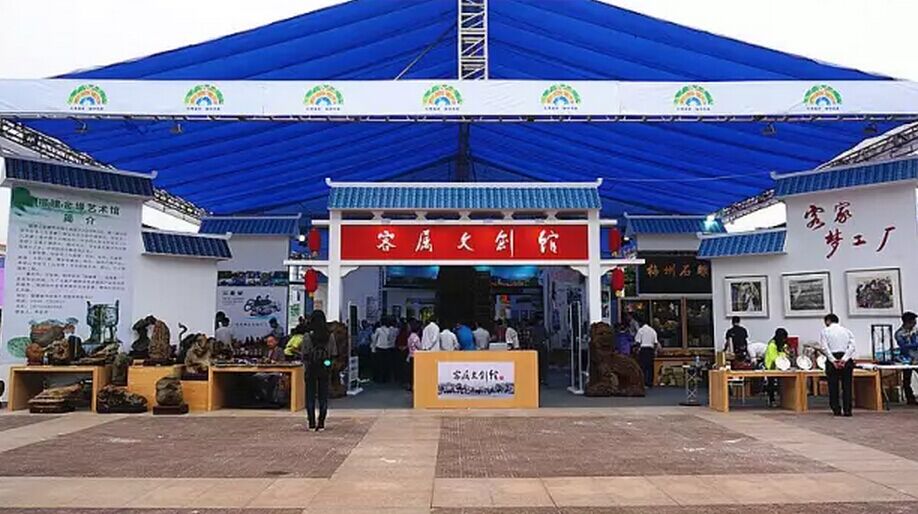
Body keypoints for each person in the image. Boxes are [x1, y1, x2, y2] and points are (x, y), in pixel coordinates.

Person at [303, 310, 337, 431]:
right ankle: (321, 422)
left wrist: (307, 365)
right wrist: (328, 364)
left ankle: (311, 423)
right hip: (324, 368)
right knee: (323, 396)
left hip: (311, 368)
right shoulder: (330, 336)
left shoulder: (307, 336)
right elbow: (333, 353)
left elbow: (304, 354)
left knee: (310, 396)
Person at [819, 313, 856, 417]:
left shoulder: (825, 331)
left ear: (828, 321)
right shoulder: (847, 331)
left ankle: (836, 409)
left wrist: (833, 360)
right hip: (846, 358)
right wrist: (844, 359)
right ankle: (848, 410)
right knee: (847, 386)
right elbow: (852, 347)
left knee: (833, 386)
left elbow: (824, 348)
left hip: (832, 358)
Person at [253, 335, 285, 404]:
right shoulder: (266, 350)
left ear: (276, 342)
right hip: (265, 371)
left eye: (270, 342)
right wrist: (262, 361)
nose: (268, 344)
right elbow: (263, 359)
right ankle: (261, 397)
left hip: (276, 371)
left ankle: (271, 398)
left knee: (274, 377)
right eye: (267, 342)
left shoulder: (280, 350)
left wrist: (272, 361)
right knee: (256, 377)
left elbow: (282, 362)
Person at [895, 311, 918, 405]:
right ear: (908, 322)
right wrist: (914, 344)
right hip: (907, 358)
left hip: (917, 357)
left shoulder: (916, 331)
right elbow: (903, 346)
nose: (915, 323)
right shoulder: (899, 333)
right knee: (907, 379)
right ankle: (910, 398)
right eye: (914, 321)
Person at [763, 328, 789, 407]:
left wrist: (786, 354)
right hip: (771, 366)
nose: (784, 340)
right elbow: (774, 357)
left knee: (783, 383)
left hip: (781, 366)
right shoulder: (772, 344)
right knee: (771, 384)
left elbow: (785, 354)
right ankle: (772, 400)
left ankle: (785, 400)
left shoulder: (783, 345)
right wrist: (783, 355)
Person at [634, 317, 660, 388]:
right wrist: (655, 351)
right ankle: (650, 382)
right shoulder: (652, 331)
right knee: (650, 366)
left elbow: (638, 341)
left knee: (643, 367)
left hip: (643, 349)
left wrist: (637, 349)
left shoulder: (641, 330)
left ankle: (643, 382)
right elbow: (655, 342)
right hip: (650, 349)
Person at [405, 319, 422, 391]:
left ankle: (409, 385)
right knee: (415, 372)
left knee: (410, 372)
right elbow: (419, 347)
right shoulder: (416, 337)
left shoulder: (409, 337)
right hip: (416, 356)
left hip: (410, 355)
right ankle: (414, 386)